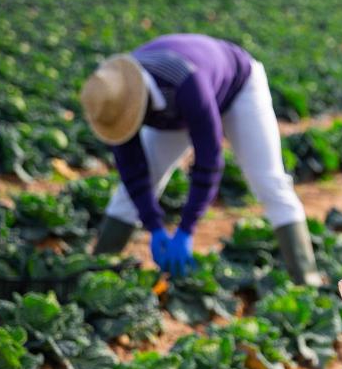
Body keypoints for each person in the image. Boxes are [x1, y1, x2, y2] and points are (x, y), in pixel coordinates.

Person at [79, 33, 322, 285]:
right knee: (130, 192)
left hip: (238, 85)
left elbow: (209, 160)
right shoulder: (114, 98)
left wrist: (186, 229)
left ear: (138, 105)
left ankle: (307, 278)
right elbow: (132, 170)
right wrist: (155, 227)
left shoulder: (186, 83)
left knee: (269, 181)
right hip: (175, 103)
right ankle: (95, 275)